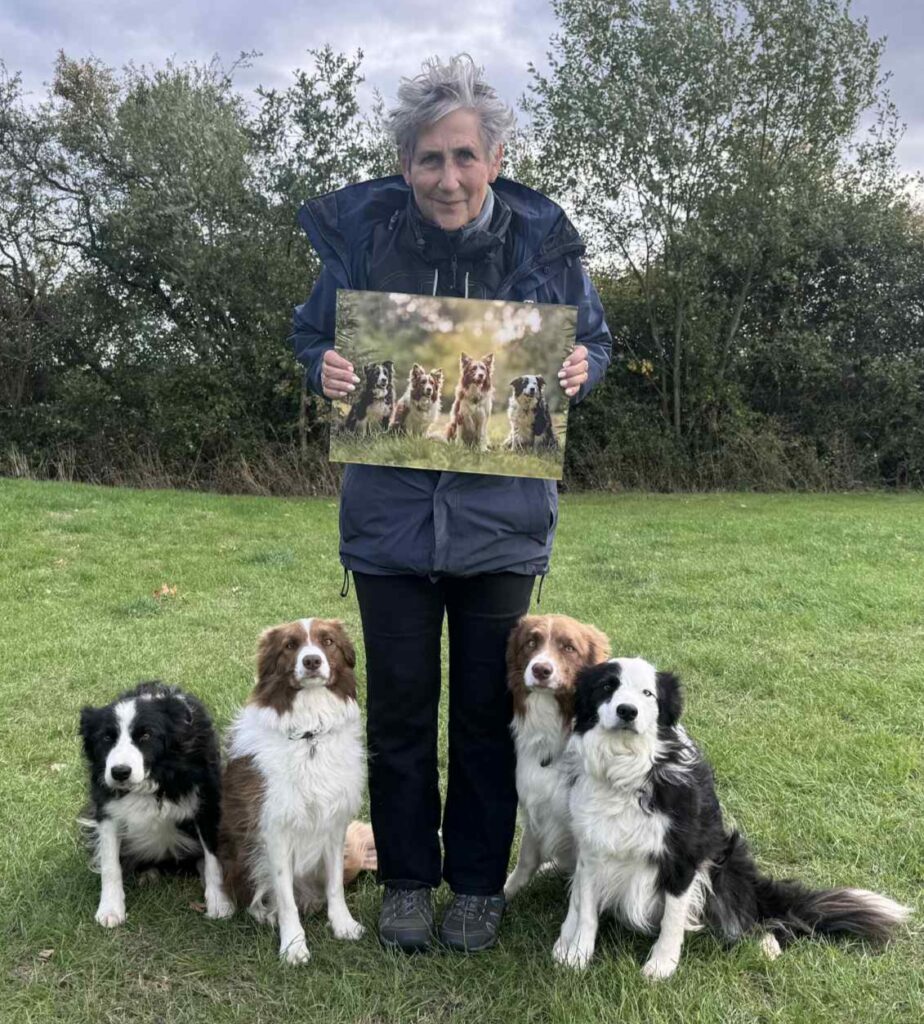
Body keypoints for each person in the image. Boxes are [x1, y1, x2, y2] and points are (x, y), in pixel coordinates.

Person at [288, 55, 612, 953]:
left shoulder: (545, 251)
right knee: (396, 716)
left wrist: (584, 368)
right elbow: (310, 331)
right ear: (405, 166)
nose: (448, 178)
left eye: (465, 156)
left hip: (501, 528)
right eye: (430, 159)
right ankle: (403, 881)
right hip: (387, 526)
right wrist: (326, 364)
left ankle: (475, 886)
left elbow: (596, 341)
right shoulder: (364, 244)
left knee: (482, 716)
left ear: (496, 158)